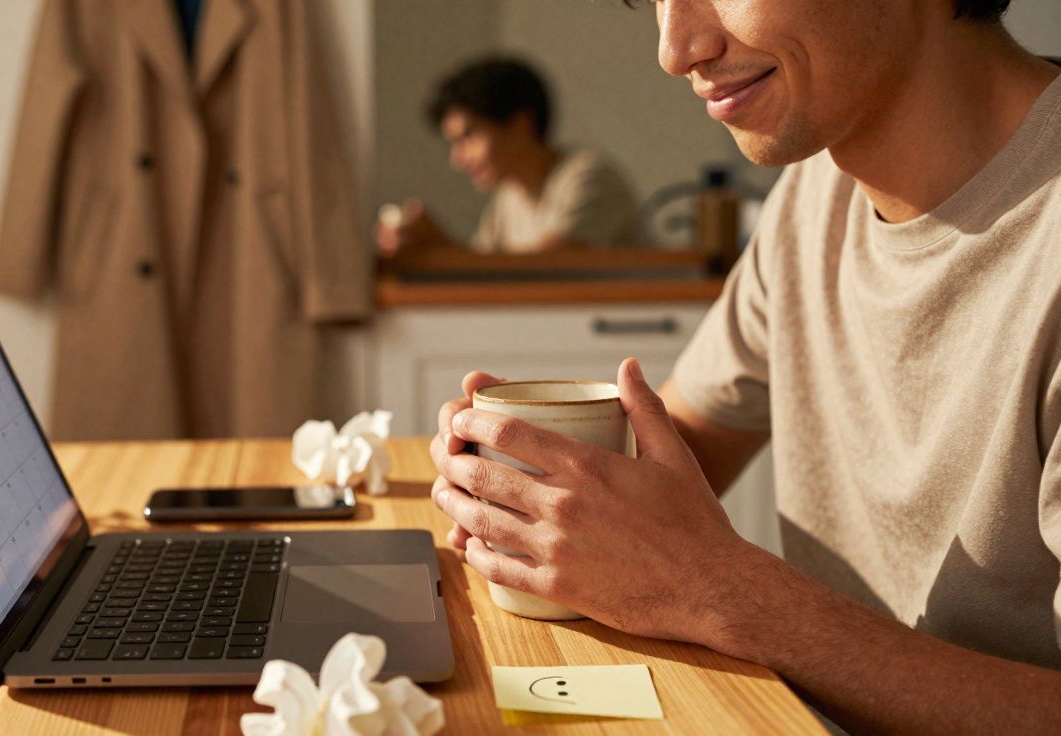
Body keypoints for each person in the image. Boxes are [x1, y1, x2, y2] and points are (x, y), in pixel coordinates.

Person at [429, 0, 1061, 732]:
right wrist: (535, 485)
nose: (676, 48)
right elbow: (677, 456)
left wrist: (727, 596)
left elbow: (699, 575)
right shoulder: (815, 195)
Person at [376, 57, 636, 257]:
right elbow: (484, 276)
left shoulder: (589, 177)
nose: (458, 159)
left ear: (520, 124)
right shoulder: (507, 200)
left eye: (469, 137)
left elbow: (552, 271)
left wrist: (442, 250)